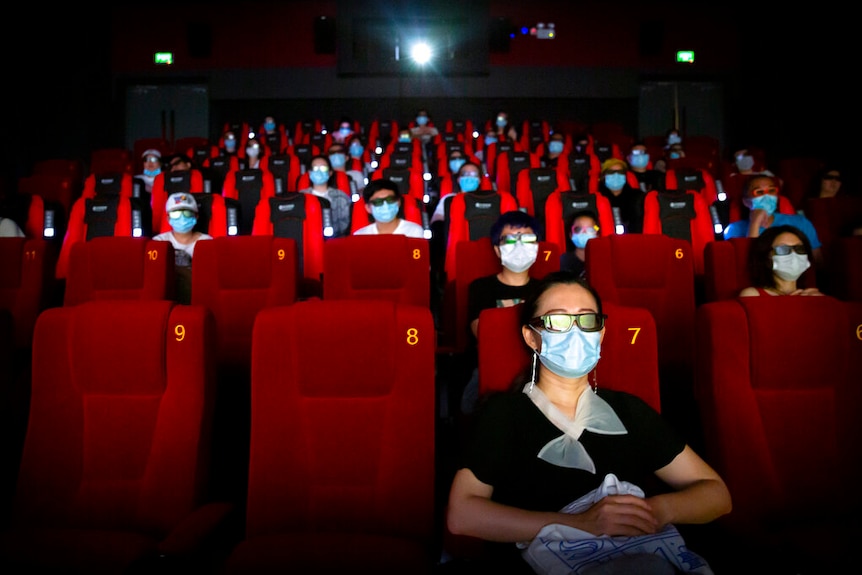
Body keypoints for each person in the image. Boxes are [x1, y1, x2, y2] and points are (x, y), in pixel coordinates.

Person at [446, 271, 732, 572]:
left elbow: (717, 494)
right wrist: (580, 524)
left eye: (587, 320)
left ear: (601, 333)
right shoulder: (505, 413)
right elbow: (462, 514)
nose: (575, 332)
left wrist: (655, 510)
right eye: (558, 320)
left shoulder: (628, 409)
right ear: (532, 337)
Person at [461, 211, 543, 415]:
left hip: (539, 367)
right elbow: (483, 333)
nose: (519, 245)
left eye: (527, 239)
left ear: (537, 247)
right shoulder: (481, 288)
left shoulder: (546, 290)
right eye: (511, 239)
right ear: (497, 250)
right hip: (492, 365)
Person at [724, 174, 822, 266]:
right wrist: (754, 224)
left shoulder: (800, 222)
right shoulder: (734, 229)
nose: (767, 196)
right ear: (746, 202)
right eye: (759, 192)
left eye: (771, 191)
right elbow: (746, 264)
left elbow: (817, 261)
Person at [152, 192, 213, 304]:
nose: (182, 218)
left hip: (198, 297)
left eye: (187, 213)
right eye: (176, 214)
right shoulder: (158, 242)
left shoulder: (207, 242)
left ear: (196, 216)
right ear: (168, 218)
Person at [739, 224, 822, 297]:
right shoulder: (753, 295)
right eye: (783, 249)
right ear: (767, 257)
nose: (794, 254)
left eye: (799, 249)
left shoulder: (812, 296)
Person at [299, 154, 353, 238]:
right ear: (309, 173)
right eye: (315, 168)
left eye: (323, 168)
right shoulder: (301, 197)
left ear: (330, 172)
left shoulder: (341, 196)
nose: (319, 171)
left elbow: (345, 224)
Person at [353, 178, 425, 238]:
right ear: (368, 208)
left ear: (398, 202)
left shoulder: (414, 232)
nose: (385, 205)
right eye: (378, 202)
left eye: (390, 200)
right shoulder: (360, 236)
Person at [597, 158, 644, 233]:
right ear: (603, 176)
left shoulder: (638, 197)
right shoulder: (596, 198)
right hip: (605, 240)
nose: (616, 175)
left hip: (633, 239)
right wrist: (597, 229)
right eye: (611, 172)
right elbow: (594, 226)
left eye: (620, 172)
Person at [559, 211, 599, 279]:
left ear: (597, 235)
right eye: (578, 229)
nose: (584, 233)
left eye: (590, 229)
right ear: (571, 235)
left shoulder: (605, 261)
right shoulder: (563, 261)